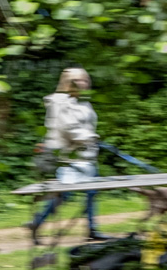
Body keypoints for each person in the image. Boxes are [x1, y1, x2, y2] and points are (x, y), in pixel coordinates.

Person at [31, 67, 110, 241]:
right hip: (69, 158)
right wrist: (91, 137)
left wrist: (91, 140)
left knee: (91, 193)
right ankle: (37, 222)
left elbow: (86, 126)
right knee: (65, 195)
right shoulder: (60, 103)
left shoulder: (83, 101)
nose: (84, 83)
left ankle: (92, 229)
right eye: (79, 80)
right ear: (69, 83)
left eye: (86, 80)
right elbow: (67, 128)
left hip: (87, 156)